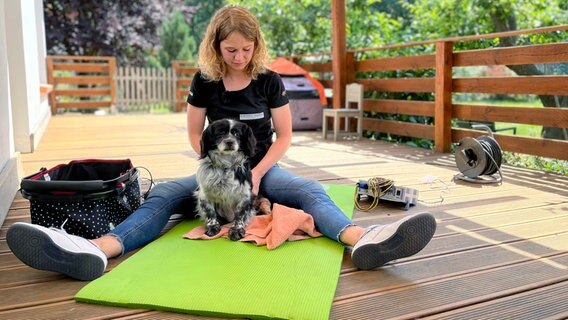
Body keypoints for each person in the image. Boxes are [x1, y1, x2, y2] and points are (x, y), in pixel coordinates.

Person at [6, 5, 436, 281]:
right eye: (230, 49)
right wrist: (210, 165)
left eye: (246, 49)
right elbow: (194, 132)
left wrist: (258, 173)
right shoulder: (205, 80)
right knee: (165, 196)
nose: (239, 57)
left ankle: (362, 237)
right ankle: (96, 249)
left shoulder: (268, 80)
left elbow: (285, 135)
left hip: (261, 167)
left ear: (256, 46)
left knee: (308, 192)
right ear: (217, 46)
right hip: (216, 171)